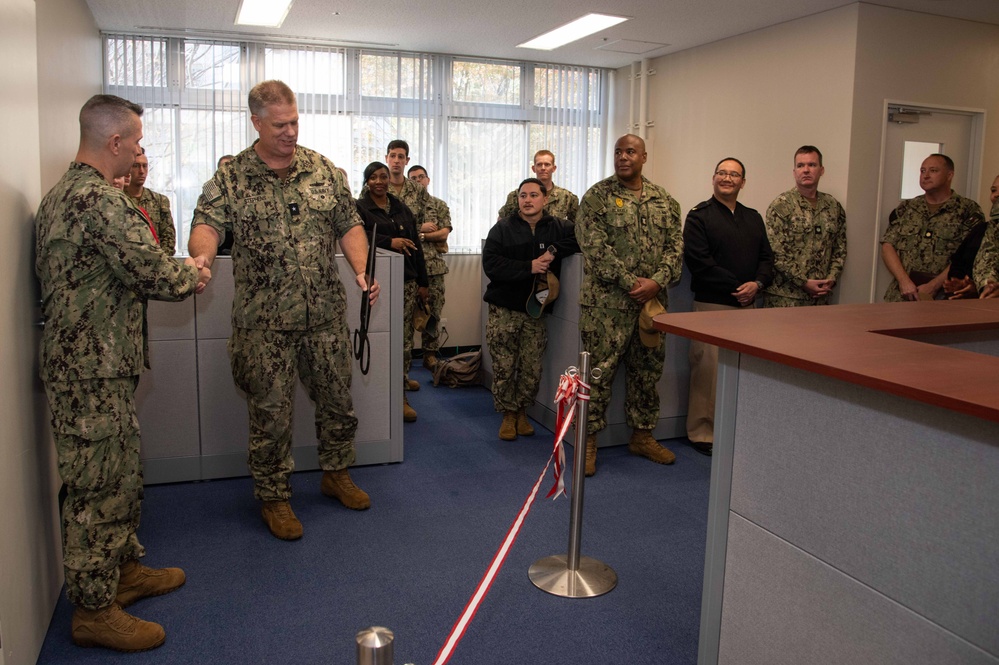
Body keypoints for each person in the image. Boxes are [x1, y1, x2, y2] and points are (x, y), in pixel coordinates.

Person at [36, 94, 209, 652]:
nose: (139, 150)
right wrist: (195, 271)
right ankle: (92, 609)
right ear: (114, 142)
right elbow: (156, 273)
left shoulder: (64, 196)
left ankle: (121, 573)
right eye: (135, 140)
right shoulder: (97, 201)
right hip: (91, 370)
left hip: (96, 366)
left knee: (118, 475)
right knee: (96, 487)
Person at [188, 80, 379, 541]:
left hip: (325, 318)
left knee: (338, 403)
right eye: (280, 125)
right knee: (270, 416)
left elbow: (348, 224)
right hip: (263, 325)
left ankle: (336, 474)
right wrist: (201, 258)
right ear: (256, 122)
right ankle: (274, 498)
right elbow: (206, 225)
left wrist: (361, 270)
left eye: (295, 121)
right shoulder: (231, 179)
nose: (291, 131)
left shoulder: (323, 171)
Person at [576, 134, 684, 476]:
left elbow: (675, 248)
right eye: (618, 152)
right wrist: (629, 282)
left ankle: (642, 435)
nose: (623, 157)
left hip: (650, 306)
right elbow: (594, 246)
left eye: (630, 152)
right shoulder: (597, 196)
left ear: (644, 157)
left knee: (647, 372)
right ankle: (588, 440)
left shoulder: (664, 200)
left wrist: (657, 281)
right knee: (597, 375)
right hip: (606, 306)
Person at [683, 158, 774, 456]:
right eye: (722, 173)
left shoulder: (753, 217)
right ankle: (703, 434)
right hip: (713, 306)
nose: (727, 178)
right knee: (708, 374)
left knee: (744, 374)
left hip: (749, 308)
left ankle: (737, 431)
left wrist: (757, 284)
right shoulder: (699, 216)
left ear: (742, 182)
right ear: (713, 179)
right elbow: (700, 262)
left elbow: (767, 259)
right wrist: (739, 286)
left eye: (734, 174)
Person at [483, 178, 579, 440]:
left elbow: (583, 239)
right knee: (504, 365)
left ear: (545, 199)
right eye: (522, 195)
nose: (527, 200)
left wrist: (555, 250)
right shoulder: (502, 228)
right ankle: (507, 414)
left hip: (536, 310)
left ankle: (522, 411)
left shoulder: (559, 227)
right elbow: (491, 264)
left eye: (533, 195)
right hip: (504, 308)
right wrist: (528, 267)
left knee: (531, 367)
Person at [357, 161, 429, 422]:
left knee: (403, 342)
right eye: (373, 177)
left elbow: (417, 247)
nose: (379, 181)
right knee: (378, 340)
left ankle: (400, 396)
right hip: (376, 283)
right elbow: (357, 237)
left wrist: (423, 282)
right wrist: (390, 242)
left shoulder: (401, 208)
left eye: (383, 177)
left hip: (406, 281)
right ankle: (378, 395)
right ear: (366, 181)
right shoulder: (359, 208)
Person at [880, 153, 985, 301]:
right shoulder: (908, 208)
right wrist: (904, 281)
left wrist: (934, 285)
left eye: (933, 170)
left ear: (949, 175)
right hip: (902, 294)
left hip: (945, 297)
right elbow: (887, 246)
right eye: (923, 171)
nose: (926, 175)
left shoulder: (968, 210)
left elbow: (969, 255)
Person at [763, 146, 846, 307]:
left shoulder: (833, 206)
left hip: (821, 298)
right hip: (786, 298)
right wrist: (803, 282)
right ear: (794, 172)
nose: (806, 170)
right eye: (800, 166)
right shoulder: (781, 205)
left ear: (821, 170)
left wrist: (830, 279)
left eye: (812, 165)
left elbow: (840, 248)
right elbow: (777, 252)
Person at [408, 164, 453, 370]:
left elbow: (443, 233)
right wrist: (421, 228)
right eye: (413, 178)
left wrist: (421, 234)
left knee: (433, 312)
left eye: (421, 177)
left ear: (428, 180)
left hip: (434, 269)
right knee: (406, 315)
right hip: (408, 268)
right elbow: (397, 231)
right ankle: (404, 359)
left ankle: (430, 355)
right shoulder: (402, 205)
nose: (418, 181)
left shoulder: (439, 205)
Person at [944, 173, 998, 299]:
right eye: (993, 190)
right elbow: (958, 263)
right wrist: (971, 285)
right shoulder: (982, 230)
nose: (996, 195)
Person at [496, 150, 579, 222]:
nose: (543, 168)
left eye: (547, 164)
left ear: (554, 168)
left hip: (555, 239)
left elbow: (576, 227)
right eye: (539, 164)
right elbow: (502, 221)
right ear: (533, 168)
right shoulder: (517, 195)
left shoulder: (567, 198)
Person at [124, 148, 177, 254]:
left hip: (157, 263)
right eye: (136, 166)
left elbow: (169, 240)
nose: (141, 171)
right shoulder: (120, 200)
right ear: (127, 169)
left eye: (145, 166)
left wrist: (159, 263)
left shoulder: (160, 201)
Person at [971, 176, 999, 299]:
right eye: (993, 190)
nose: (996, 195)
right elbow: (988, 255)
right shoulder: (996, 221)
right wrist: (988, 284)